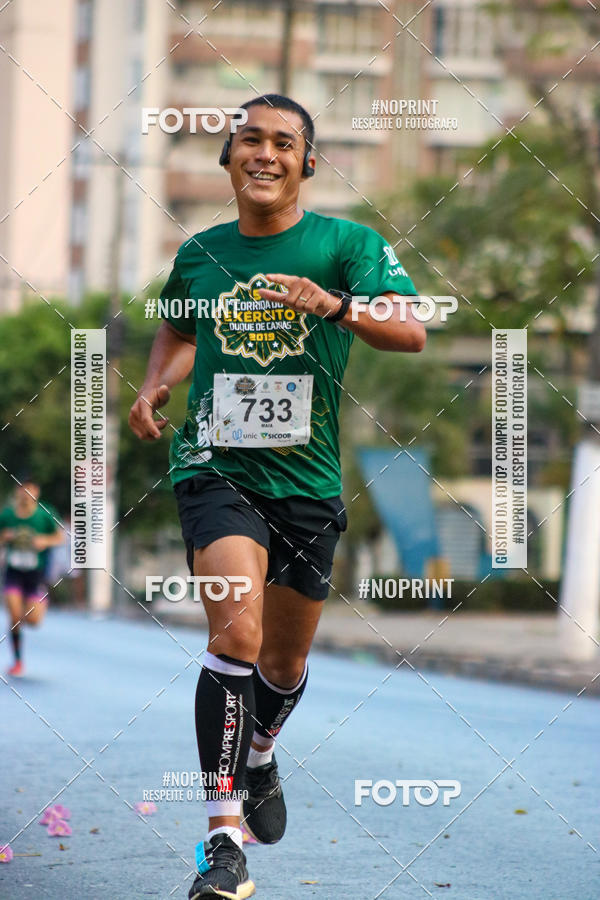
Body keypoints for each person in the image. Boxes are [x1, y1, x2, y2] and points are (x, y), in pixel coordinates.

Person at [129, 93, 426, 899]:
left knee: (284, 664)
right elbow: (182, 329)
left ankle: (260, 752)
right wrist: (157, 385)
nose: (264, 153)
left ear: (307, 163)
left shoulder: (346, 245)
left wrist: (333, 304)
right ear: (227, 159)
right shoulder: (200, 252)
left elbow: (411, 328)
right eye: (249, 140)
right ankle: (222, 841)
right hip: (215, 469)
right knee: (236, 634)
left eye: (284, 143)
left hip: (307, 482)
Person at [0, 475, 63, 676]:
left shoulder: (45, 514)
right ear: (18, 492)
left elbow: (60, 537)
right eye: (22, 490)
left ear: (36, 493)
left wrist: (44, 540)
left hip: (36, 574)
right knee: (15, 615)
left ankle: (39, 601)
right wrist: (5, 537)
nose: (26, 495)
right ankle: (18, 661)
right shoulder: (8, 515)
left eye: (30, 490)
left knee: (33, 622)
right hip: (13, 572)